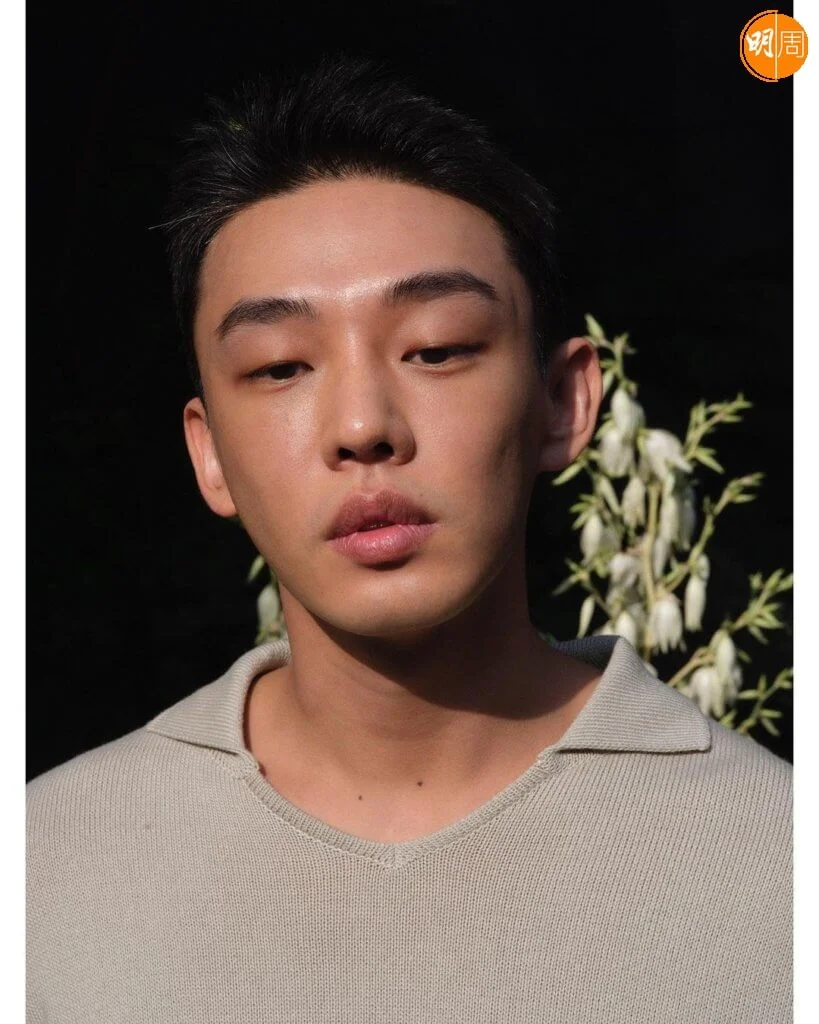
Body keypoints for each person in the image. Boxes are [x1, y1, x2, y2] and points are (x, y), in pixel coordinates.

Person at [27, 53, 791, 1023]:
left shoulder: (774, 863)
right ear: (208, 452)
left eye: (437, 349)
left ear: (565, 402)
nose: (362, 426)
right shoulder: (47, 873)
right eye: (279, 367)